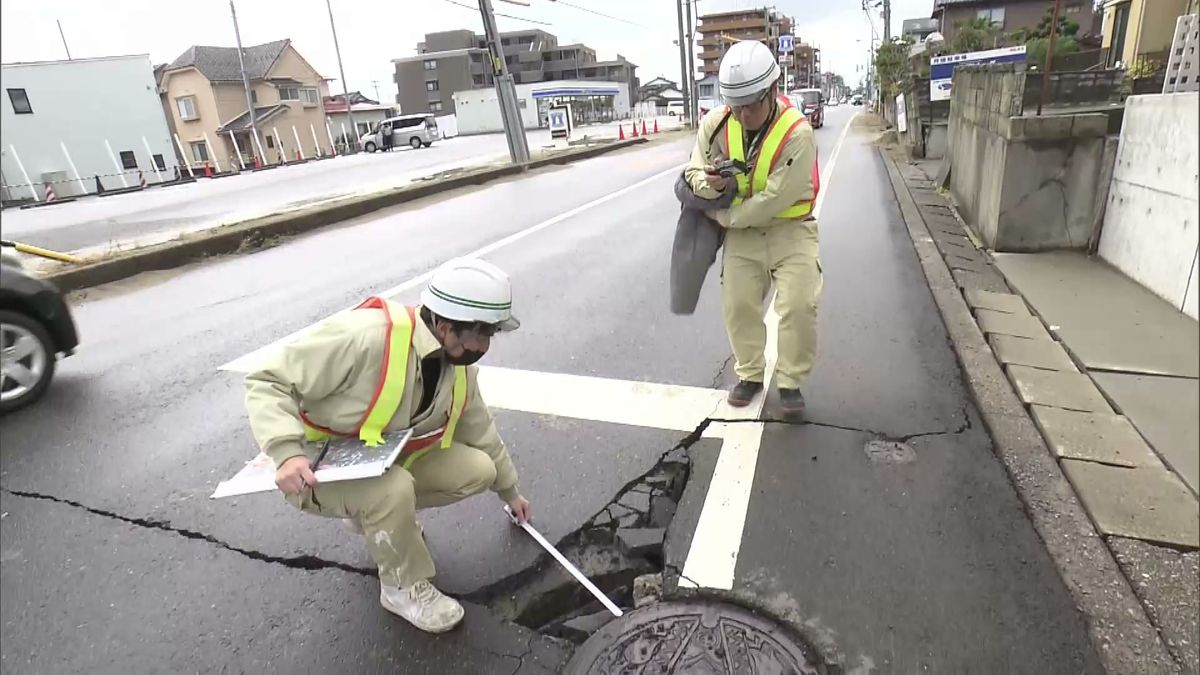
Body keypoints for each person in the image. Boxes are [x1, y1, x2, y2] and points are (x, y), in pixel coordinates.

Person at [243, 258, 530, 634]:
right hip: (313, 470)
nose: (486, 345)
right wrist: (287, 453)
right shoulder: (364, 338)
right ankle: (401, 587)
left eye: (491, 333)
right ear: (445, 326)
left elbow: (481, 431)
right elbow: (267, 379)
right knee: (392, 490)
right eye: (481, 334)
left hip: (375, 458)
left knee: (479, 469)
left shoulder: (457, 365)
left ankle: (377, 515)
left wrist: (510, 493)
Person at [684, 39, 821, 419]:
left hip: (790, 228)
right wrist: (706, 184)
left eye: (751, 106)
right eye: (735, 106)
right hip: (744, 235)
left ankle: (791, 381)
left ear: (772, 91)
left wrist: (724, 218)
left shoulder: (797, 132)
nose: (743, 115)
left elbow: (774, 198)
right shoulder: (716, 125)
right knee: (739, 304)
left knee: (798, 304)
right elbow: (693, 168)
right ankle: (750, 374)